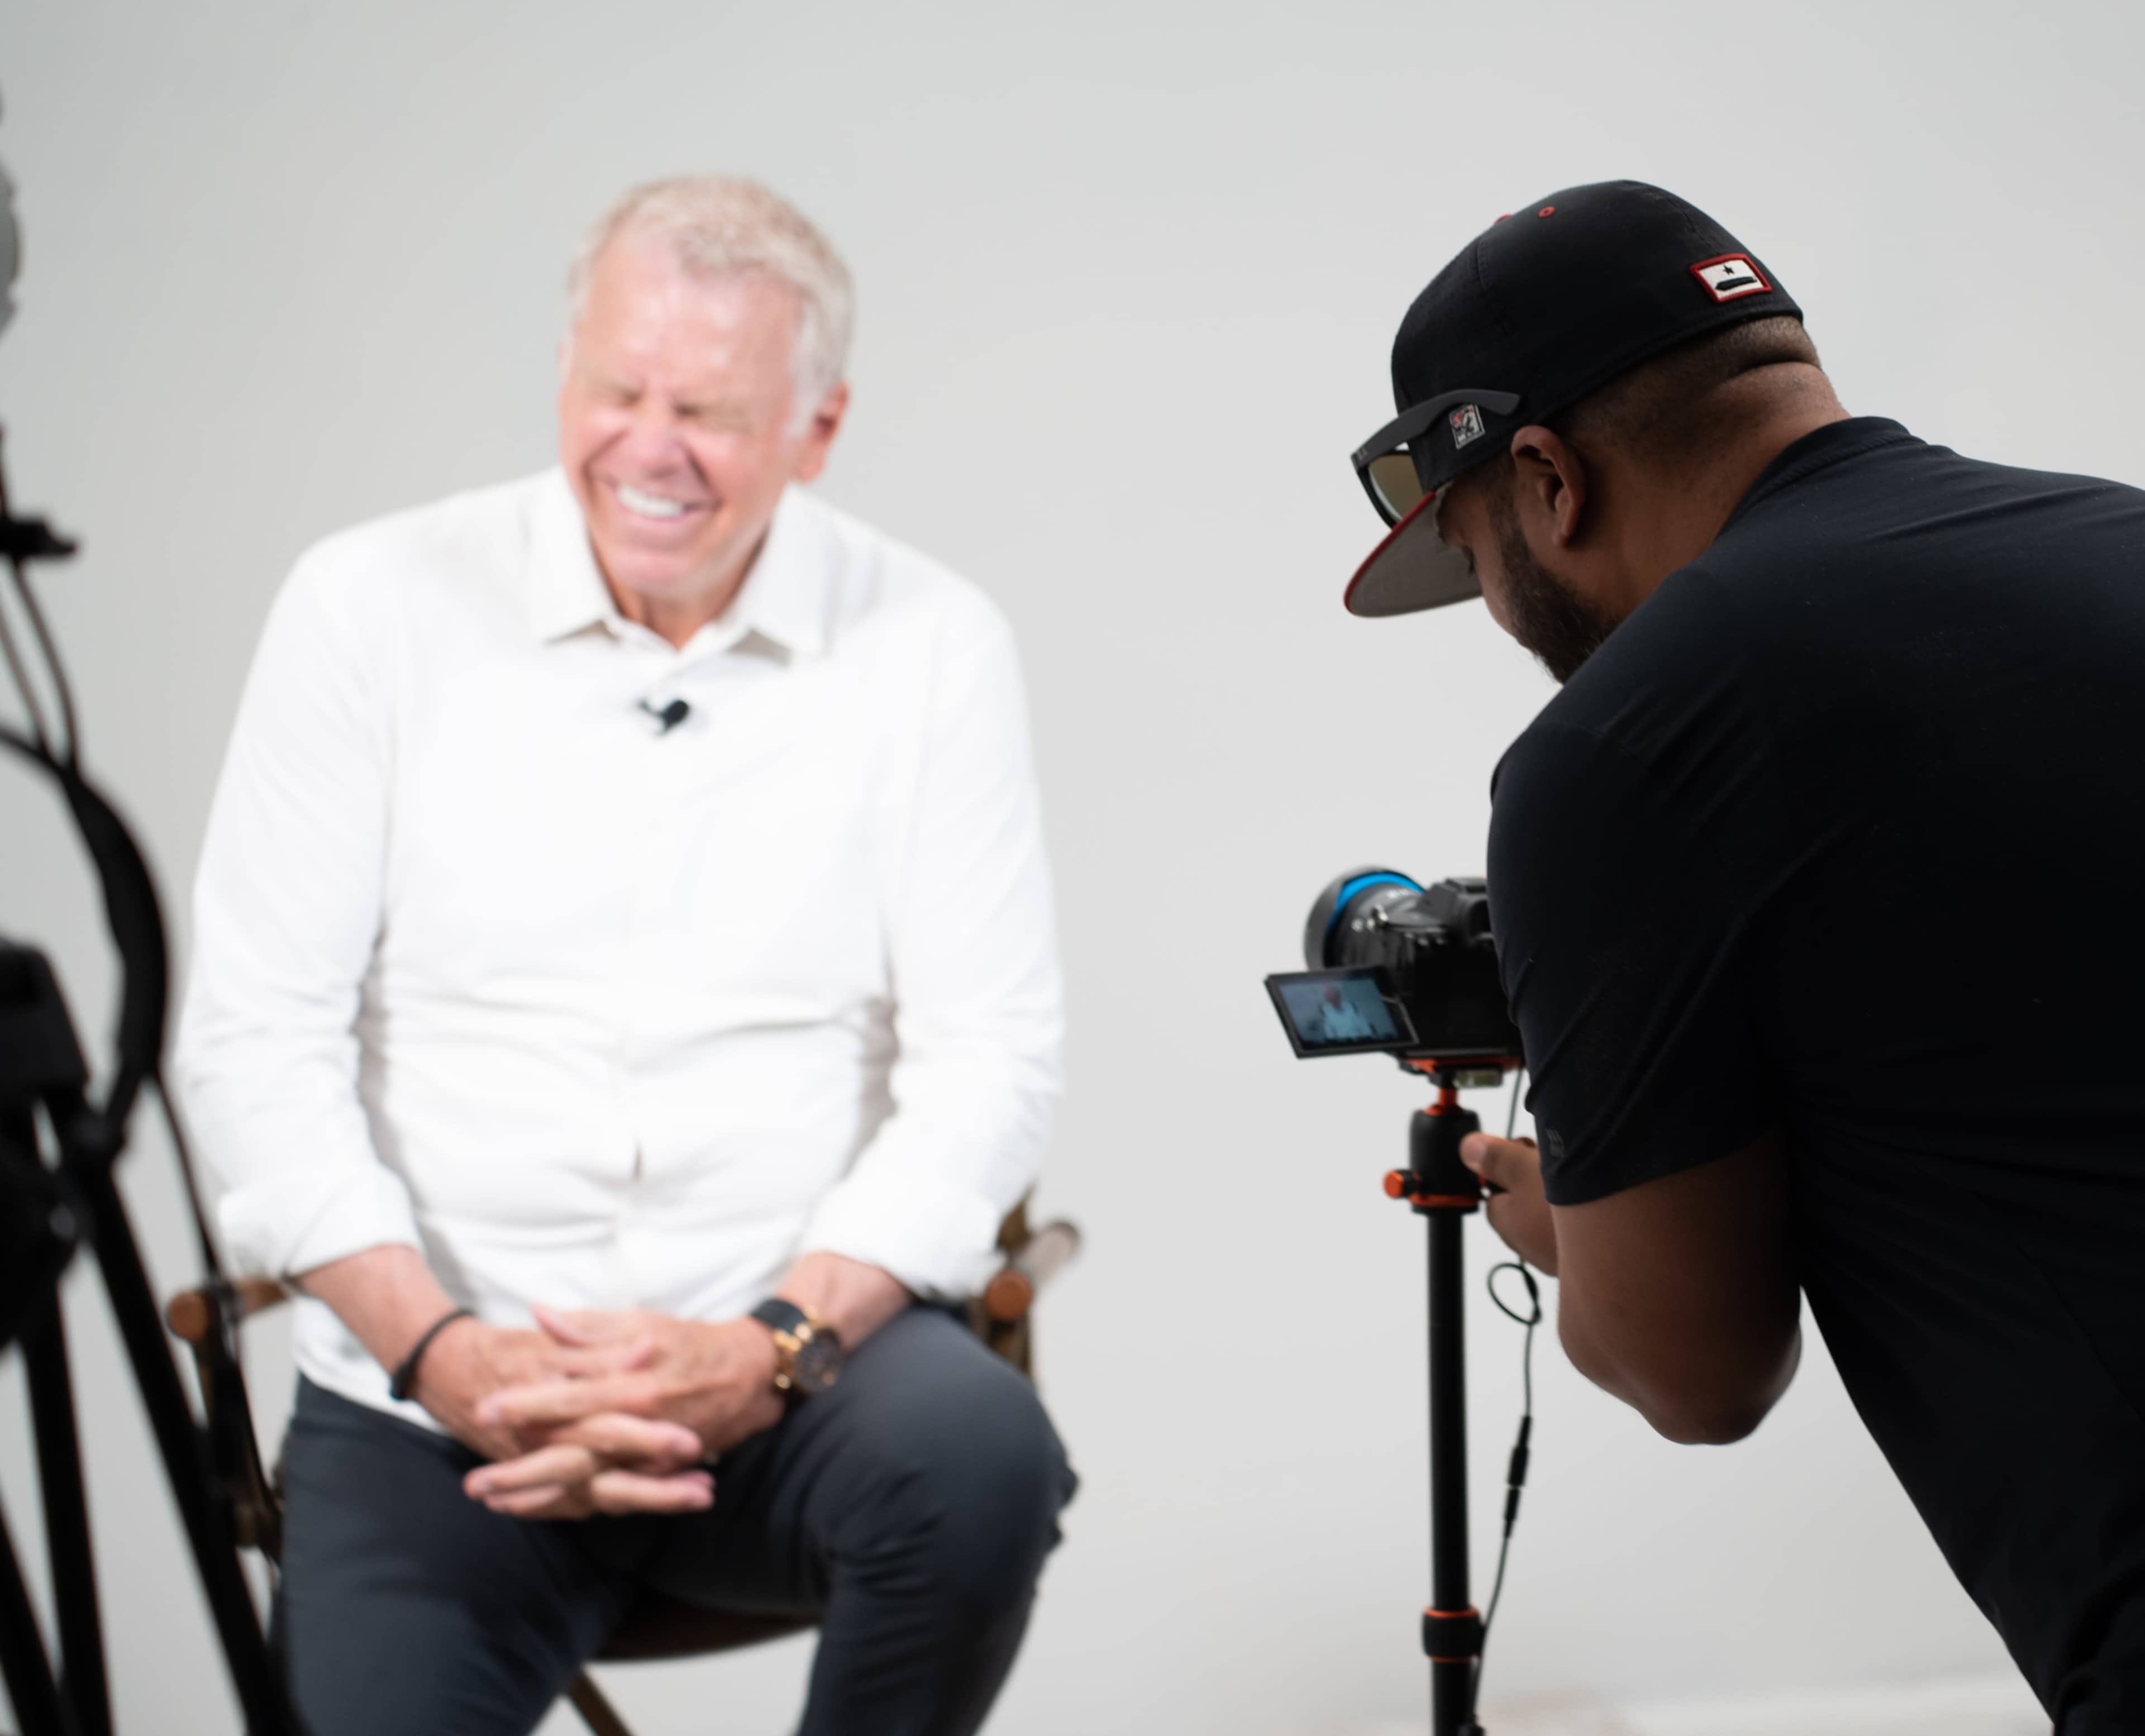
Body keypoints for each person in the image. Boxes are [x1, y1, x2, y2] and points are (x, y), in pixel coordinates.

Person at [174, 175, 1074, 1736]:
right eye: (617, 389)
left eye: (711, 410)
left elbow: (991, 1057)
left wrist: (770, 1344)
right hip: (439, 1401)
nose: (647, 449)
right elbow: (256, 1038)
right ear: (568, 372)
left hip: (792, 1379)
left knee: (984, 1459)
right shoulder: (366, 605)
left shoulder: (932, 641)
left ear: (818, 427)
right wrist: (445, 1353)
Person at [1340, 180, 2145, 1732]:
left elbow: (1698, 1369)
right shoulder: (2121, 536)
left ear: (1548, 480)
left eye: (1485, 559)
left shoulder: (1624, 746)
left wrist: (1568, 1221)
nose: (1505, 614)